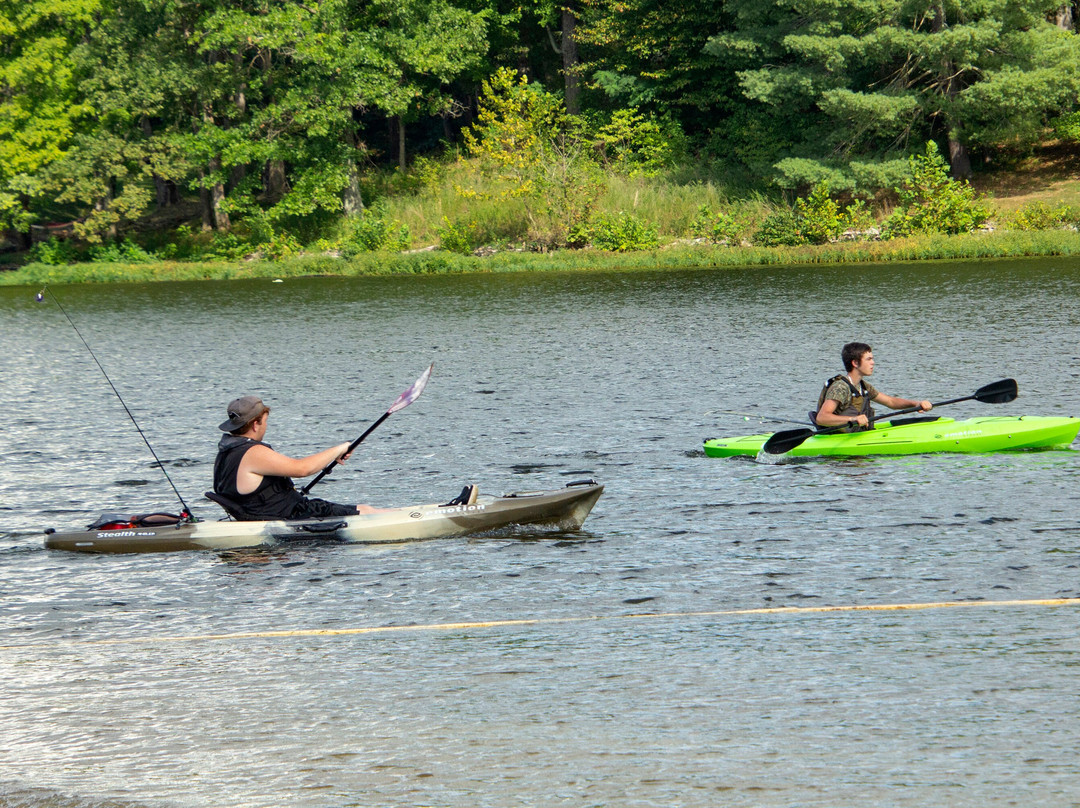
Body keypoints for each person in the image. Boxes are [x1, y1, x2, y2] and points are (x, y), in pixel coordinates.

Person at [213, 395, 386, 520]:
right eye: (265, 422)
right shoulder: (252, 452)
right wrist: (341, 447)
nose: (265, 426)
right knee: (368, 511)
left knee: (366, 509)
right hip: (287, 516)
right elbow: (302, 469)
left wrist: (333, 455)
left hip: (269, 512)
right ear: (256, 424)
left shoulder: (227, 450)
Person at [813, 343, 933, 432]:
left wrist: (916, 404)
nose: (873, 363)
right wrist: (853, 419)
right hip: (837, 441)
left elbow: (890, 402)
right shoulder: (840, 387)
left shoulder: (863, 386)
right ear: (855, 363)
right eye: (869, 359)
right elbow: (822, 418)